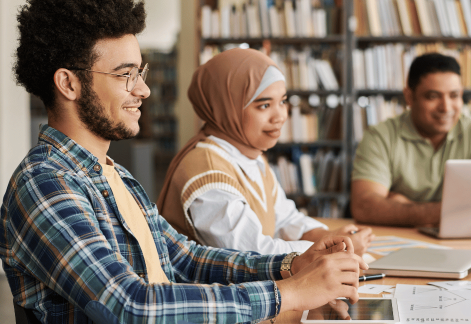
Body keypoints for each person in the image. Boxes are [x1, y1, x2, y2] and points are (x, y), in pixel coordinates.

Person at [0, 0, 367, 323]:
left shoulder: (114, 175)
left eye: (140, 72)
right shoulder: (44, 184)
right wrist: (289, 292)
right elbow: (131, 306)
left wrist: (293, 265)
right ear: (68, 83)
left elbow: (184, 259)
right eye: (126, 74)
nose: (143, 90)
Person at [157, 48, 374, 255]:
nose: (280, 116)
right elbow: (254, 254)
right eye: (264, 105)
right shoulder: (206, 171)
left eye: (283, 101)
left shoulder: (250, 157)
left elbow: (285, 219)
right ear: (227, 107)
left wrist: (328, 236)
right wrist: (329, 249)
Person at [350, 53, 471, 227]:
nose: (446, 107)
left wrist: (403, 205)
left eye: (454, 96)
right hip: (401, 243)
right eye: (433, 96)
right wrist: (454, 210)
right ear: (409, 97)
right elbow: (364, 206)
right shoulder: (380, 136)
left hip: (465, 240)